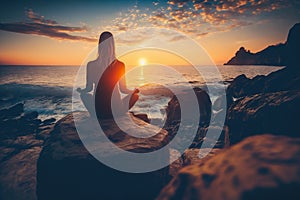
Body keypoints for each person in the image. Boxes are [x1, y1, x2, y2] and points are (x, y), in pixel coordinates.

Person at [77, 31, 139, 119]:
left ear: (99, 45)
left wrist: (81, 91)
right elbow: (123, 89)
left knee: (84, 95)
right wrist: (133, 91)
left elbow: (88, 88)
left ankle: (96, 114)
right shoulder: (120, 65)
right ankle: (112, 114)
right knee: (135, 96)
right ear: (113, 45)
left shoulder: (91, 65)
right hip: (115, 111)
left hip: (98, 110)